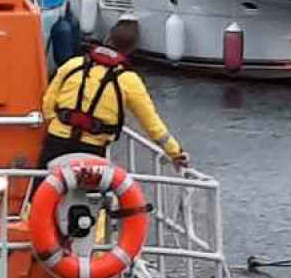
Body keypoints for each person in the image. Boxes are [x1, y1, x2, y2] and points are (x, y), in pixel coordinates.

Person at [39, 15, 189, 170]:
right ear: (132, 48)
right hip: (93, 150)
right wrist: (176, 153)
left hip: (56, 141)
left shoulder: (73, 65)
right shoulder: (129, 80)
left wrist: (55, 125)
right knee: (91, 193)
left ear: (108, 37)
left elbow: (48, 102)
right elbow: (153, 126)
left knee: (40, 190)